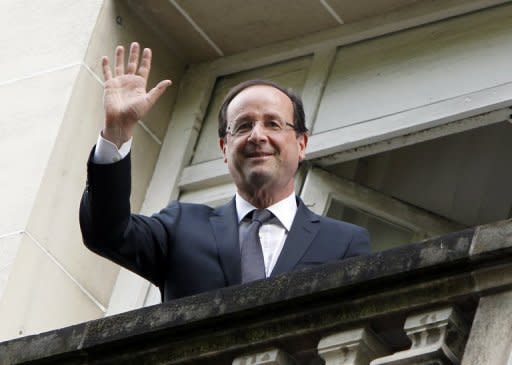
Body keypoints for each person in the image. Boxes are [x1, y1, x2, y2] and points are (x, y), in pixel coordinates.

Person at [80, 42, 370, 302]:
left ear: (301, 143)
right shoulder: (182, 226)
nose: (257, 135)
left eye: (273, 123)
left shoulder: (343, 242)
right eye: (243, 126)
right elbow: (106, 234)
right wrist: (117, 132)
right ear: (224, 147)